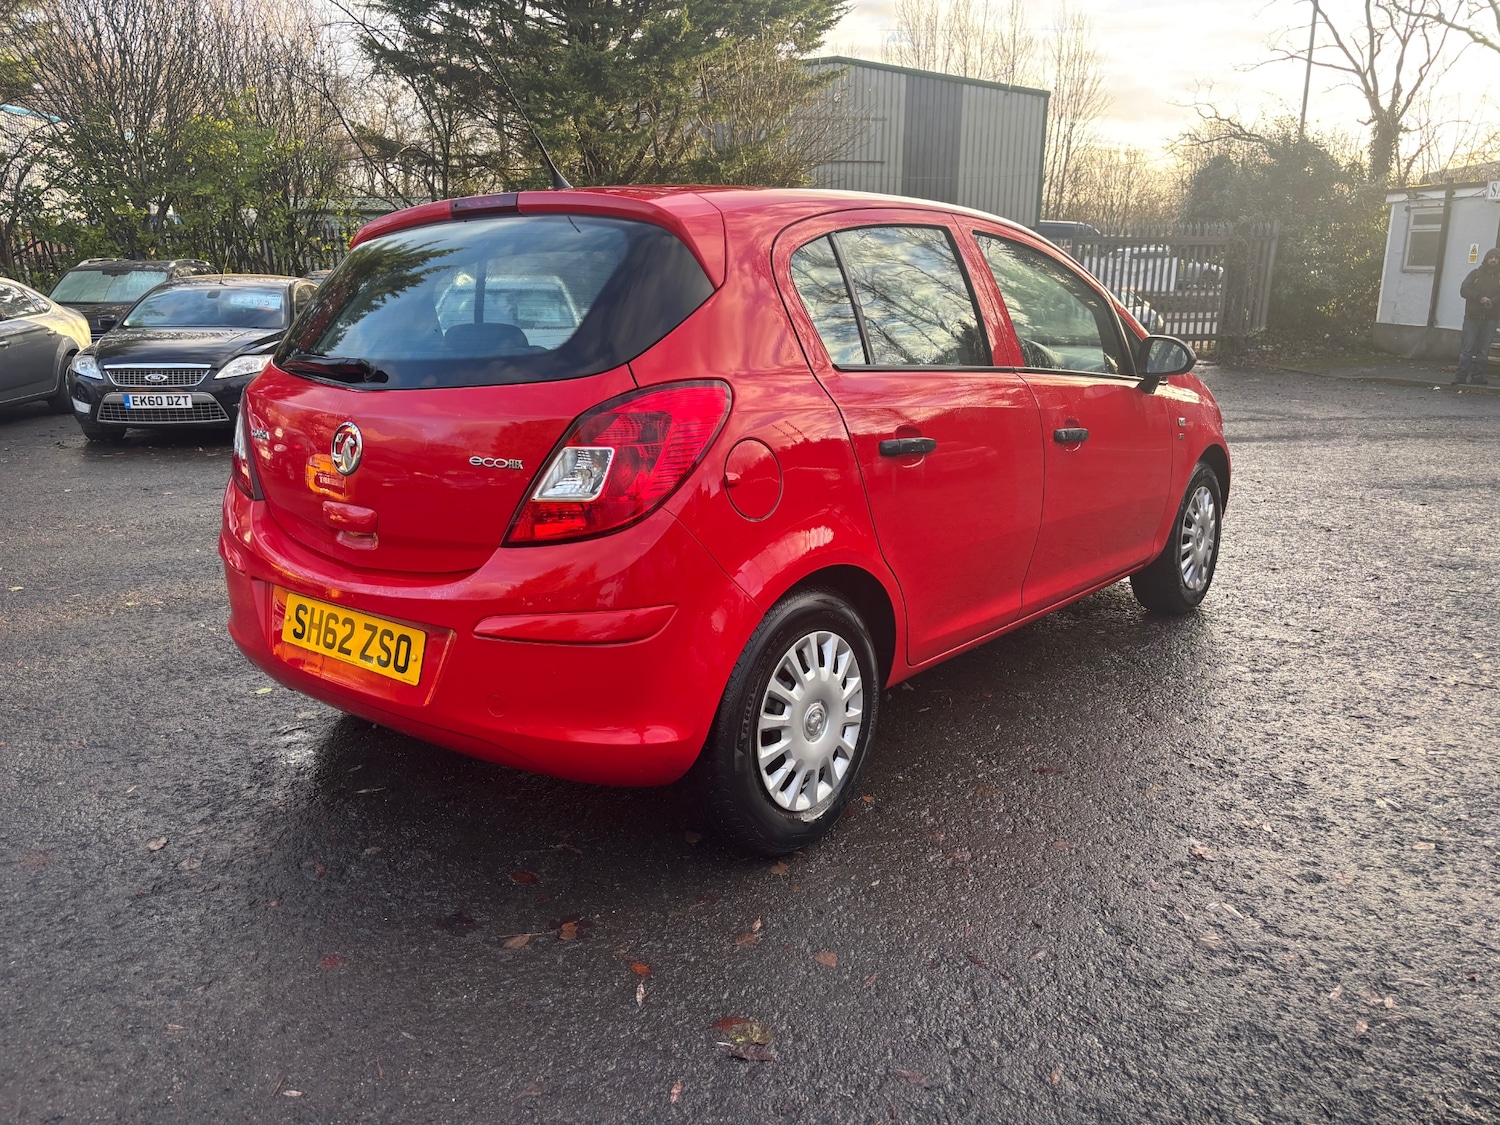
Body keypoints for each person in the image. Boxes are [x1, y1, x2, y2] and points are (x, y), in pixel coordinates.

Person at [1455, 248, 1500, 386]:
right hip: (1472, 317)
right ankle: (1460, 377)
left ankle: (1478, 377)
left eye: (1496, 258)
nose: (1493, 260)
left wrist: (1492, 301)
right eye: (1491, 257)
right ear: (1486, 259)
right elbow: (1464, 290)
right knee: (1467, 349)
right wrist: (1479, 298)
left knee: (1483, 350)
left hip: (1490, 319)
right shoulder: (1475, 274)